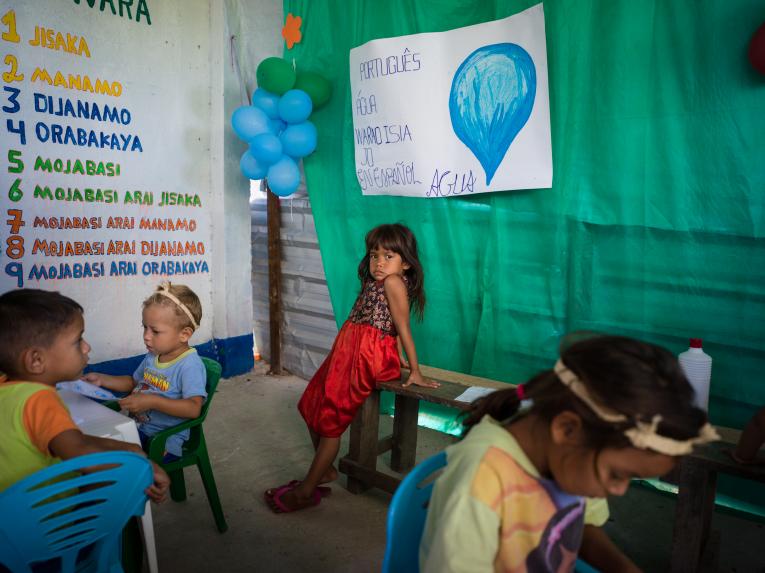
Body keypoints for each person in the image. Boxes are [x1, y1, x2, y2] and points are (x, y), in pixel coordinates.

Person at [420, 334, 719, 573]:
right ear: (566, 429)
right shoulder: (480, 480)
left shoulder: (574, 456)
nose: (619, 490)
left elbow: (583, 525)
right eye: (617, 475)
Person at [265, 223, 439, 513]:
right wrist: (396, 352)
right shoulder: (375, 282)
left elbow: (402, 327)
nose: (379, 263)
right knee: (309, 404)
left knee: (331, 422)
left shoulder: (394, 282)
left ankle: (306, 490)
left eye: (388, 257)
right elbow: (388, 324)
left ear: (406, 263)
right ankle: (328, 470)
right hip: (348, 349)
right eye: (374, 255)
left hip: (367, 357)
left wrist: (415, 370)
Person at [0, 288, 169, 502]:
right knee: (120, 488)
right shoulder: (40, 400)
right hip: (42, 521)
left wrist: (128, 447)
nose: (87, 347)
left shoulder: (7, 389)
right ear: (36, 360)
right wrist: (144, 468)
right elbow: (83, 455)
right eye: (78, 340)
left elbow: (69, 440)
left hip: (9, 517)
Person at [84, 282, 207, 462]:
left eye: (155, 331)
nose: (146, 336)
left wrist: (152, 401)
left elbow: (194, 408)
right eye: (145, 327)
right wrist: (103, 380)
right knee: (92, 448)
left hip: (162, 441)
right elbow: (133, 382)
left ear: (184, 334)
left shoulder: (189, 365)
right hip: (137, 430)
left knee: (113, 463)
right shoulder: (153, 356)